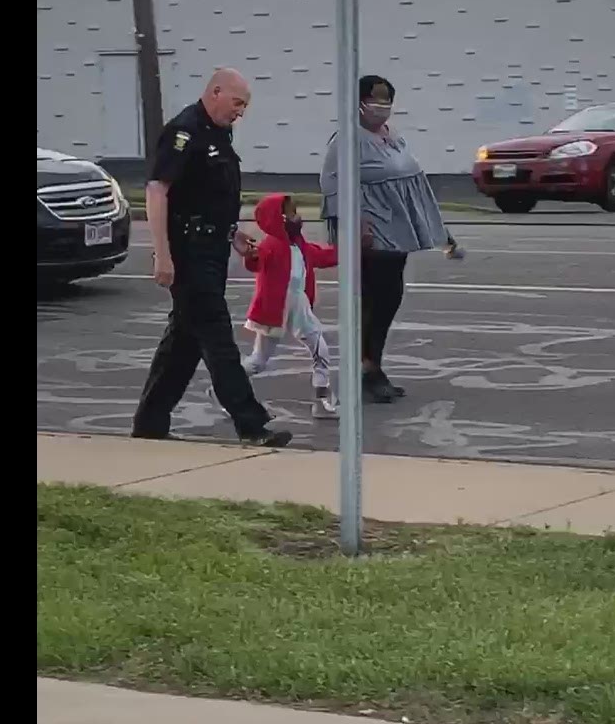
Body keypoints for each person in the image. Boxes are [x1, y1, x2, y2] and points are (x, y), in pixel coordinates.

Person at [131, 69, 292, 447]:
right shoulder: (183, 132)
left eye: (245, 106)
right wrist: (163, 255)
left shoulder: (219, 133)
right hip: (187, 252)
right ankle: (250, 424)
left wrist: (233, 235)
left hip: (212, 249)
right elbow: (158, 192)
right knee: (218, 337)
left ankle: (150, 422)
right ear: (215, 92)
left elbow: (205, 197)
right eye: (237, 103)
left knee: (184, 342)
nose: (240, 113)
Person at [321, 74, 459, 403]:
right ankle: (367, 369)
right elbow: (332, 182)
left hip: (396, 230)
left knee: (388, 297)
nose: (381, 107)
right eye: (375, 99)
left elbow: (409, 178)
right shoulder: (348, 138)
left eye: (387, 100)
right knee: (375, 299)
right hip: (372, 231)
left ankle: (372, 364)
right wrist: (354, 223)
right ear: (358, 101)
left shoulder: (389, 135)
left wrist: (437, 230)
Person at [207, 193, 348, 421]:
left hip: (299, 306)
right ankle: (223, 389)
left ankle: (322, 400)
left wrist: (351, 249)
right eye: (291, 213)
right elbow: (256, 260)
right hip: (274, 310)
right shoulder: (271, 245)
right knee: (258, 361)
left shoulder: (300, 246)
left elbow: (323, 256)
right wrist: (249, 255)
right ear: (278, 218)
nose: (297, 218)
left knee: (320, 349)